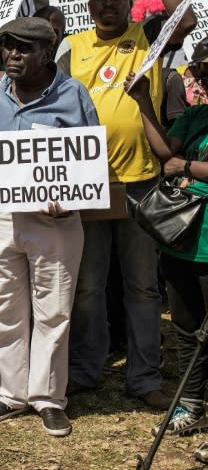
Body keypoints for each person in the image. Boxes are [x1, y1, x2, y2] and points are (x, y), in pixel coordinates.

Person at [56, 0, 197, 409]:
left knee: (142, 288)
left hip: (141, 184)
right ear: (88, 3)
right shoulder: (69, 49)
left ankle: (144, 378)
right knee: (89, 286)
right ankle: (86, 371)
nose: (108, 4)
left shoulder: (149, 37)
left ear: (129, 2)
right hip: (89, 187)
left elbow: (188, 19)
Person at [0, 17, 100, 437]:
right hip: (0, 217)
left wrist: (72, 199)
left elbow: (89, 159)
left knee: (54, 308)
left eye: (24, 48)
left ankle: (48, 398)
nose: (13, 54)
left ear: (48, 52)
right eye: (8, 46)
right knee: (3, 307)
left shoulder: (73, 93)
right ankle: (10, 393)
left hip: (54, 219)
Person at [124, 72, 208, 458]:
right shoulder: (195, 115)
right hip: (182, 242)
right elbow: (165, 154)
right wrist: (142, 101)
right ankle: (191, 405)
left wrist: (187, 168)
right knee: (186, 327)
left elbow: (178, 163)